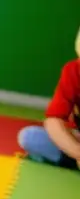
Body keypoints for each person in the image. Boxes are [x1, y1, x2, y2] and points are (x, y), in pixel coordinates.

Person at [17, 25, 80, 169]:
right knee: (30, 137)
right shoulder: (72, 71)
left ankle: (65, 161)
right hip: (77, 140)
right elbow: (54, 121)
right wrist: (76, 151)